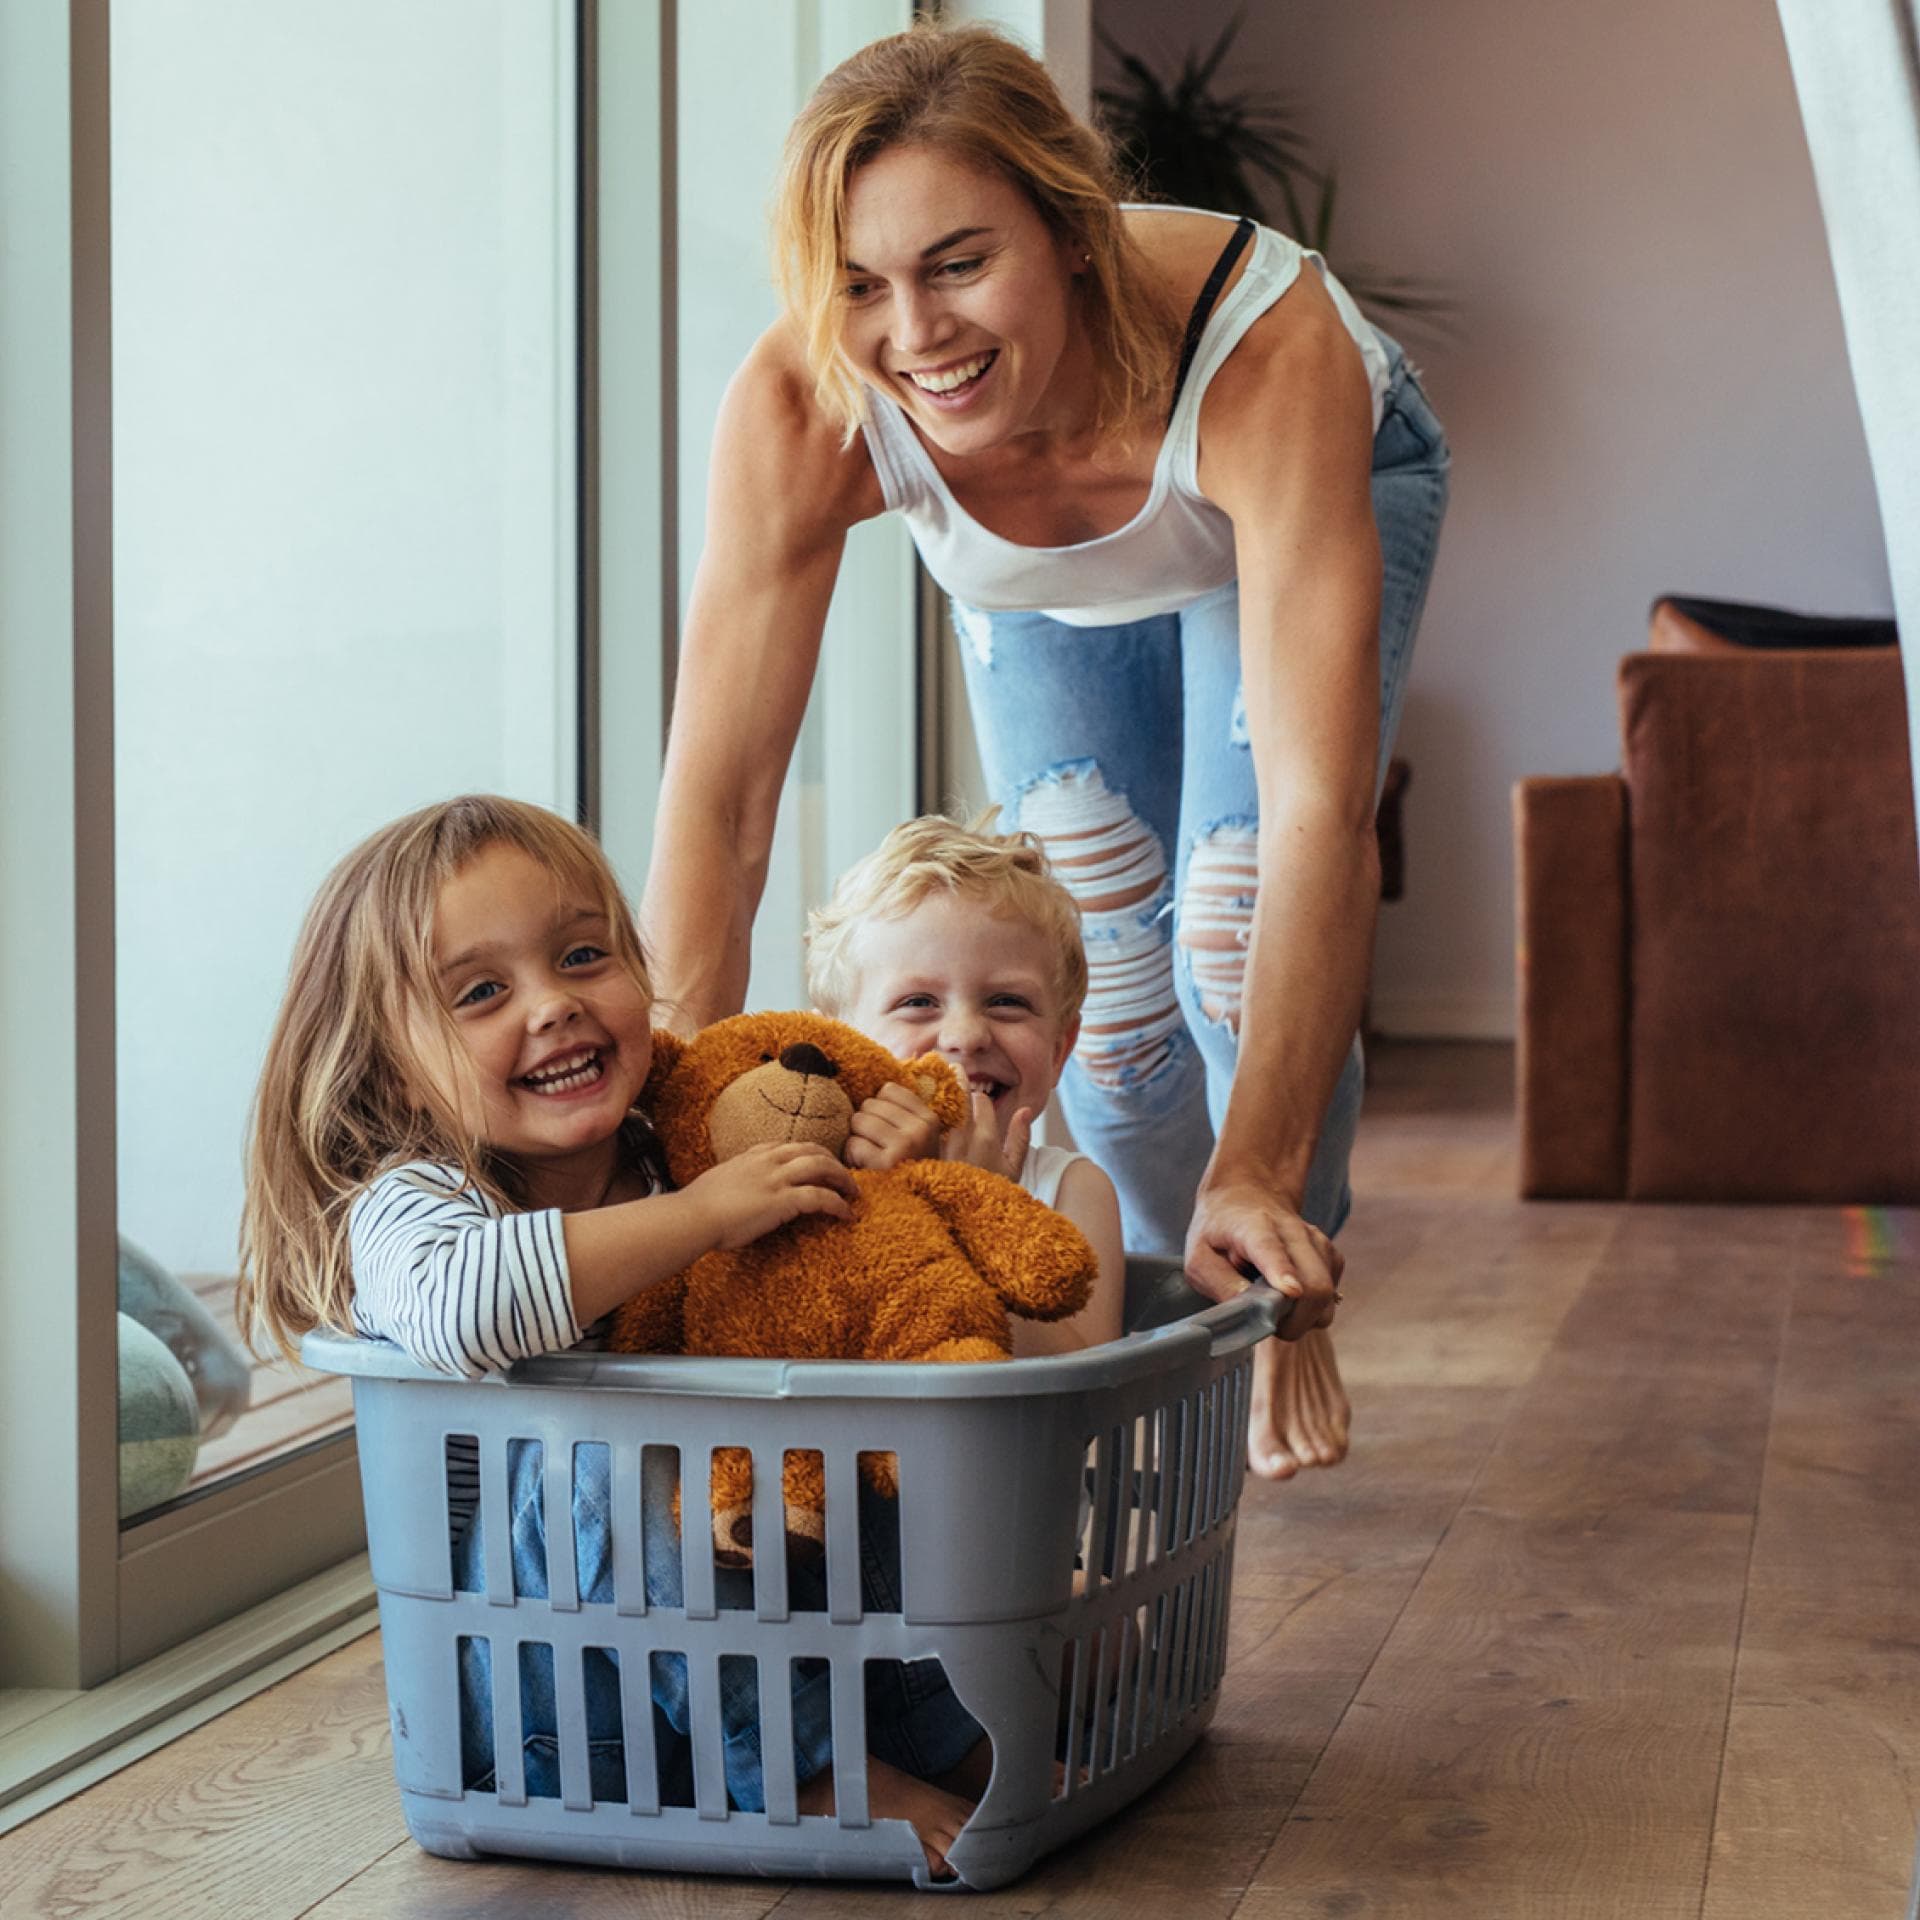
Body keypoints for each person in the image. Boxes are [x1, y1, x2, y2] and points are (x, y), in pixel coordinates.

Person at [639, 22, 1451, 1479]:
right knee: (1116, 1009)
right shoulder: (808, 401)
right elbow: (722, 799)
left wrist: (1259, 1165)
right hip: (1051, 582)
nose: (917, 334)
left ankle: (1276, 1278)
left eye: (959, 263)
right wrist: (664, 1129)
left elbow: (1324, 807)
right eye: (861, 285)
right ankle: (1150, 1326)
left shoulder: (1264, 345)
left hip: (1292, 491)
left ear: (1070, 232)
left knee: (1227, 911)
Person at [236, 792, 985, 1877]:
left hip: (746, 1684)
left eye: (585, 955)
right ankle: (812, 1772)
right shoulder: (414, 1202)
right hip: (560, 1723)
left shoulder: (683, 1147)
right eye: (481, 992)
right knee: (612, 1446)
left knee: (844, 1443)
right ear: (391, 1067)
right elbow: (465, 1308)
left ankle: (937, 1741)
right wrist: (710, 1214)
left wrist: (879, 1168)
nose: (553, 1006)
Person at [806, 810, 1126, 1353]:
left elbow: (1081, 1379)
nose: (965, 1035)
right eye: (918, 1003)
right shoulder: (811, 1172)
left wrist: (973, 1206)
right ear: (840, 1043)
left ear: (1059, 1049)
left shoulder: (1071, 1192)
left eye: (1007, 1002)